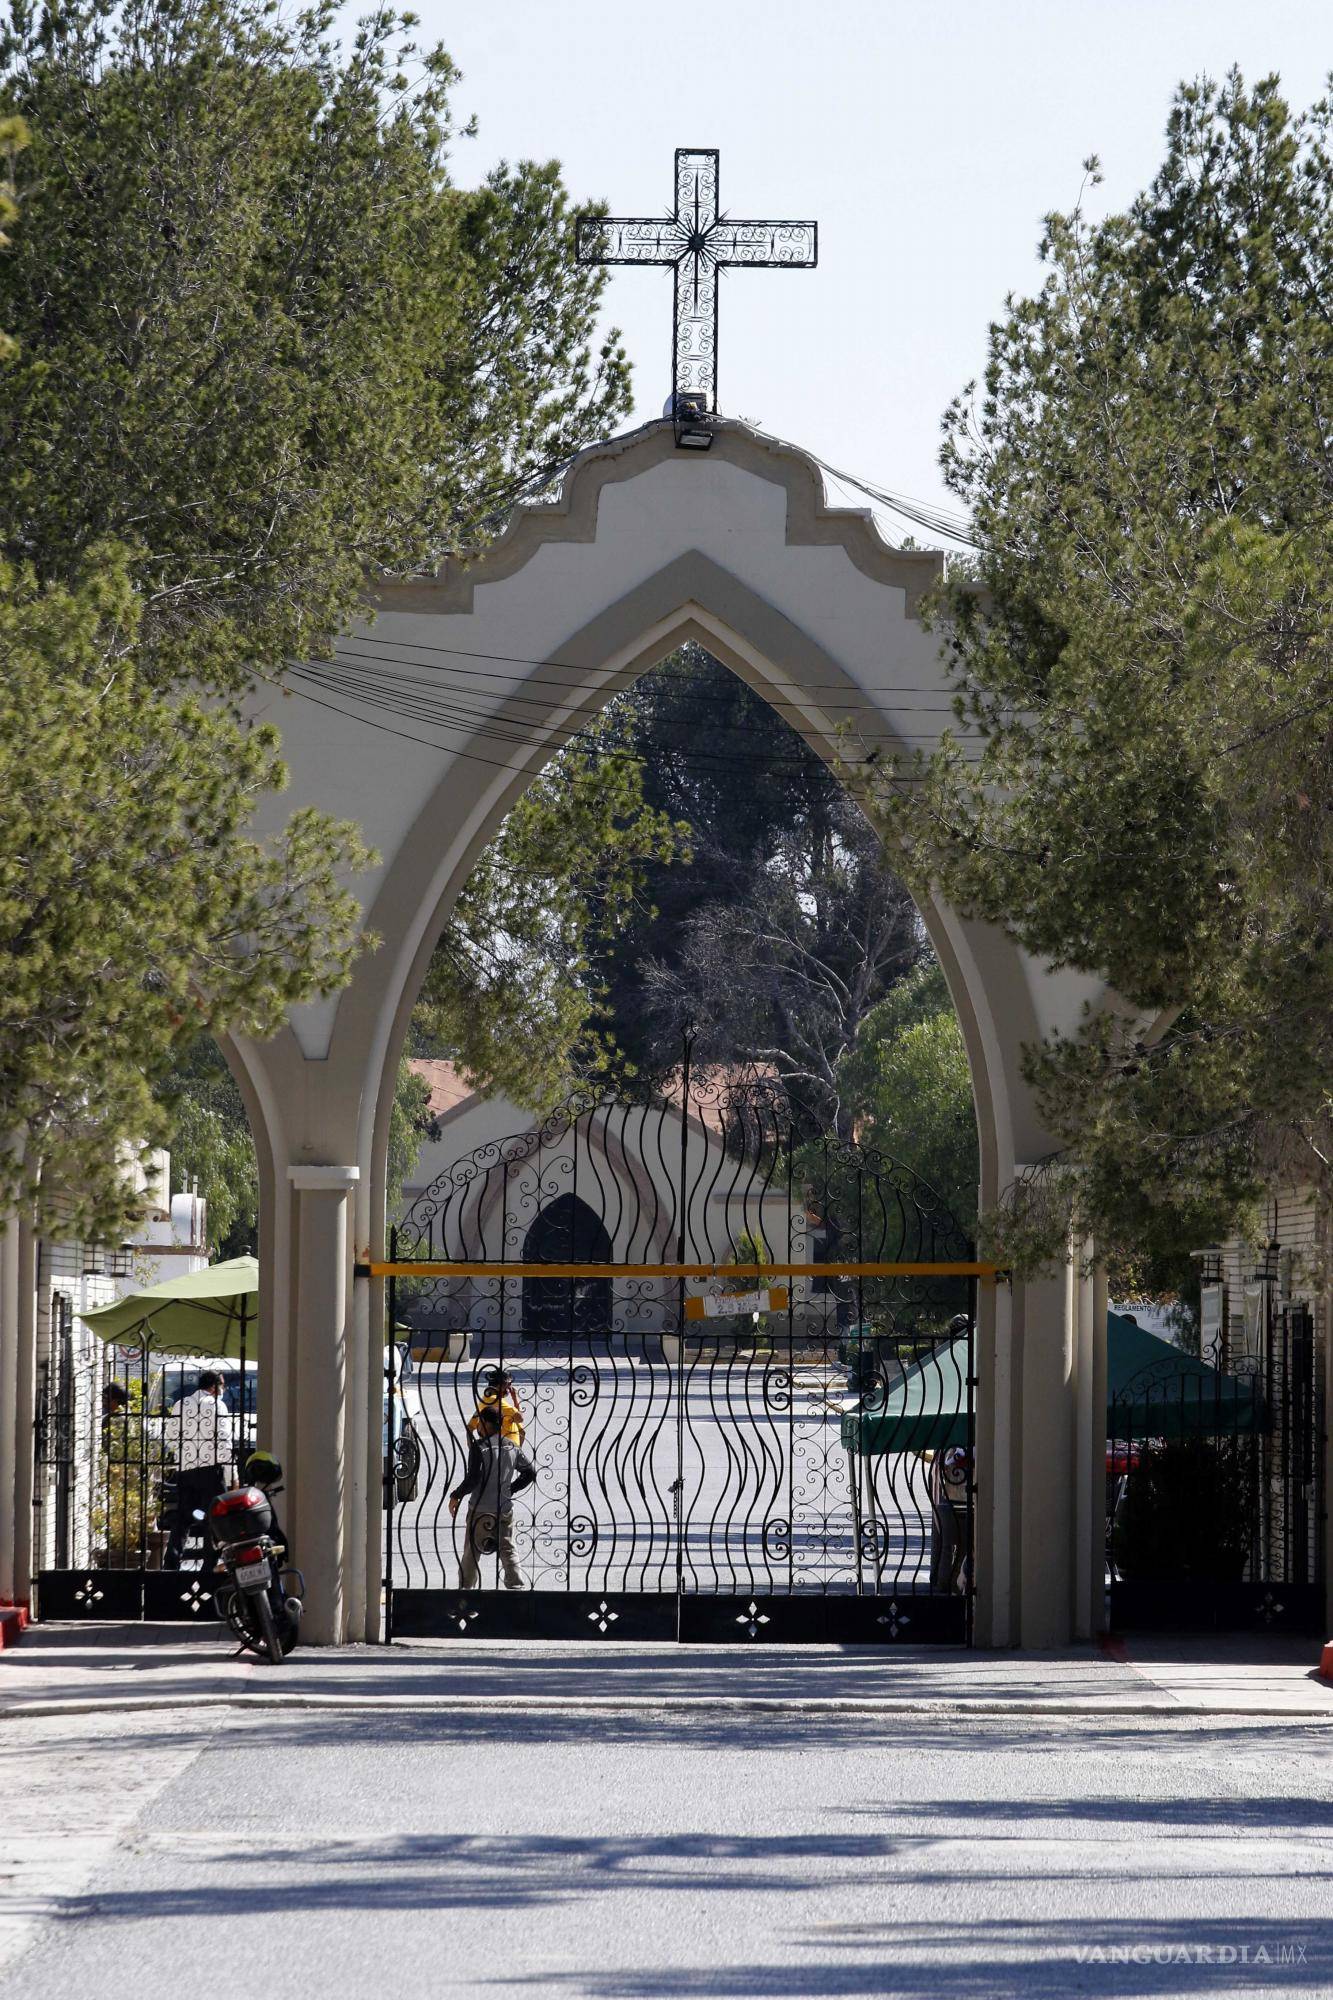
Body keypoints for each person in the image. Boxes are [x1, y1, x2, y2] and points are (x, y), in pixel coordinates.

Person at [450, 1405, 535, 1590]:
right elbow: (529, 1472)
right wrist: (510, 1489)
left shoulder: (479, 1448)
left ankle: (465, 1593)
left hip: (480, 1508)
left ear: (486, 1424)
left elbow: (473, 1478)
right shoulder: (511, 1446)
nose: (478, 1427)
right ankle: (515, 1587)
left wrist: (456, 1495)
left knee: (472, 1552)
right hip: (504, 1508)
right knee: (508, 1549)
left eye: (480, 1423)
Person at [164, 1369, 236, 1569]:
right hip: (211, 1470)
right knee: (213, 1519)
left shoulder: (181, 1404)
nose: (223, 1390)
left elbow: (170, 1437)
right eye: (222, 1385)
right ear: (213, 1387)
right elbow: (224, 1442)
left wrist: (184, 1454)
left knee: (183, 1518)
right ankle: (209, 1565)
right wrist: (231, 1475)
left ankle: (171, 1562)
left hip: (186, 1470)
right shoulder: (217, 1406)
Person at [928, 1443, 971, 1594]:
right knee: (960, 1545)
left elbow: (939, 1471)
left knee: (947, 1544)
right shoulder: (961, 1446)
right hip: (962, 1502)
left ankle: (943, 1582)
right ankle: (950, 1582)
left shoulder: (946, 1446)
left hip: (948, 1501)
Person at [466, 1365, 525, 1446]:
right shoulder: (495, 1401)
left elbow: (470, 1427)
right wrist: (515, 1398)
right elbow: (520, 1418)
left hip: (505, 1450)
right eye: (509, 1384)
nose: (510, 1387)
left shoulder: (487, 1400)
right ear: (501, 1385)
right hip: (505, 1450)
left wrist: (473, 1450)